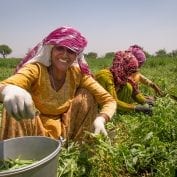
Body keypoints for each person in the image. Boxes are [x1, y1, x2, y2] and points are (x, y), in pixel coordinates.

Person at [0, 26, 116, 141]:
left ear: (76, 55)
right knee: (16, 102)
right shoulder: (36, 70)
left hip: (64, 128)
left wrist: (101, 119)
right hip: (33, 127)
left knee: (86, 96)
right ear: (51, 50)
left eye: (71, 51)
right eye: (60, 48)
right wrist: (8, 90)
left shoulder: (77, 74)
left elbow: (109, 100)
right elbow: (4, 86)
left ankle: (79, 146)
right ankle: (21, 153)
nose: (65, 55)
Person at [95, 50, 152, 114]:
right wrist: (135, 108)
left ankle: (122, 109)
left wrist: (144, 101)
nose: (131, 74)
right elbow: (113, 101)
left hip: (111, 102)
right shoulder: (105, 76)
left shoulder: (120, 75)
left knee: (128, 86)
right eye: (130, 71)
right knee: (127, 87)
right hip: (98, 105)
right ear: (124, 67)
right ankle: (118, 111)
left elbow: (134, 92)